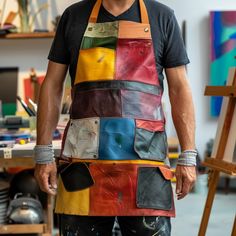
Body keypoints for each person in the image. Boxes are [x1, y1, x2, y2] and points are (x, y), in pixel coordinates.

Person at [34, 0, 197, 235]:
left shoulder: (162, 17)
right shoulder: (74, 16)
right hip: (84, 168)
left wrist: (188, 155)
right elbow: (52, 85)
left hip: (146, 167)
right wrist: (43, 152)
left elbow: (180, 88)